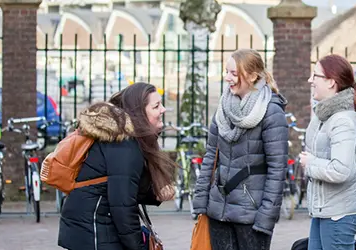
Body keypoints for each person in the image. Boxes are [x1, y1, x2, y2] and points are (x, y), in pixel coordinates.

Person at [58, 82, 177, 250]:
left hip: (91, 228)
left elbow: (120, 188)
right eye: (156, 106)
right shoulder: (125, 145)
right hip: (95, 231)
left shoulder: (125, 140)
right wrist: (138, 247)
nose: (163, 110)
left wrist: (153, 195)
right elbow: (122, 206)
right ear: (139, 112)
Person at [192, 48, 289, 250]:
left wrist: (266, 217)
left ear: (253, 76)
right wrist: (201, 201)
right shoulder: (223, 108)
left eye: (233, 73)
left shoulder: (271, 112)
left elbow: (277, 169)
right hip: (218, 209)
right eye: (226, 72)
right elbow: (211, 155)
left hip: (251, 213)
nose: (227, 78)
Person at [299, 54, 356, 250]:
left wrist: (310, 163)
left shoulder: (343, 120)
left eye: (315, 76)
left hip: (339, 212)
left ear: (331, 82)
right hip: (325, 209)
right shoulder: (324, 114)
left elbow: (341, 169)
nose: (310, 80)